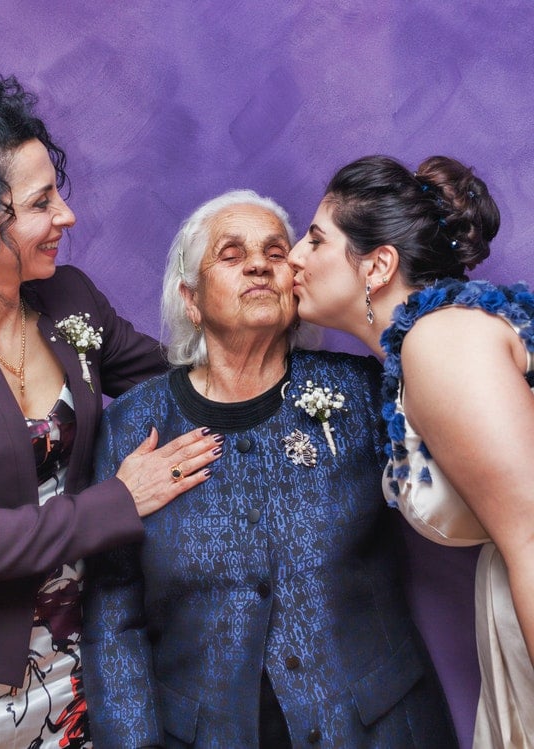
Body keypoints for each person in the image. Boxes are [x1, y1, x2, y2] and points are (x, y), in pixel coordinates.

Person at [0, 57, 223, 747]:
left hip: (79, 662)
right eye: (41, 203)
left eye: (57, 194)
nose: (66, 216)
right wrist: (123, 498)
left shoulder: (69, 298)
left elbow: (185, 385)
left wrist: (256, 319)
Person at [81, 189, 457, 748]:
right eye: (231, 255)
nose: (258, 264)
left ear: (294, 282)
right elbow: (113, 619)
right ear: (191, 300)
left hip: (378, 728)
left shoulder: (361, 391)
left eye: (276, 253)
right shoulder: (133, 425)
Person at [288, 154, 534, 747]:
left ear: (377, 266)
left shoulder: (441, 340)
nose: (294, 256)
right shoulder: (425, 346)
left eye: (316, 240)